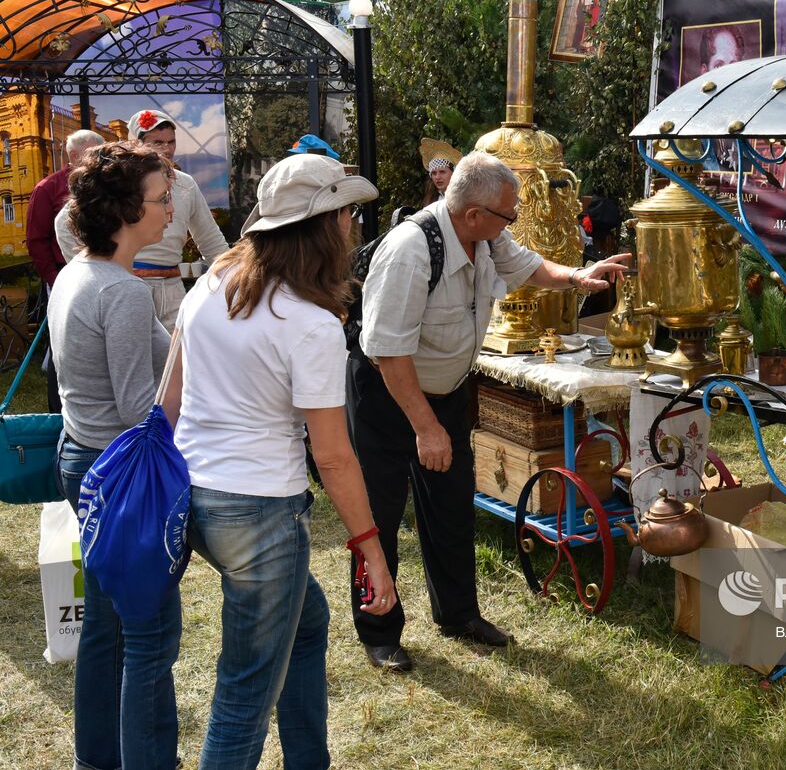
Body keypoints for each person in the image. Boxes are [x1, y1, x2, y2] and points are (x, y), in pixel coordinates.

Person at [349, 153, 629, 670]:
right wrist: (425, 426)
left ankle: (458, 614)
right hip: (389, 394)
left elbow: (528, 268)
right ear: (473, 213)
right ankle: (379, 631)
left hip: (445, 390)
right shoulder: (409, 251)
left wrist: (578, 276)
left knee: (451, 504)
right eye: (510, 214)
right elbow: (387, 353)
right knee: (378, 515)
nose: (514, 221)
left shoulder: (485, 236)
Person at [163, 153, 397, 768]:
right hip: (260, 513)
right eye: (346, 211)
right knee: (243, 695)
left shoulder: (211, 284)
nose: (352, 223)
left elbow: (169, 399)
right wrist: (370, 546)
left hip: (197, 500)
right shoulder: (310, 323)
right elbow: (334, 455)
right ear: (323, 225)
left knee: (307, 621)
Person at [48, 140, 179, 770]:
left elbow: (168, 349)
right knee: (144, 636)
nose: (170, 209)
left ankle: (96, 758)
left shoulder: (80, 269)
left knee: (104, 628)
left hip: (82, 458)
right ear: (127, 210)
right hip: (119, 472)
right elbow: (138, 409)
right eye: (160, 199)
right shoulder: (121, 291)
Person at [56, 109, 229, 330]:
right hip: (123, 285)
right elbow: (63, 223)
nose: (167, 149)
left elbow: (211, 240)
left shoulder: (186, 183)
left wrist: (231, 284)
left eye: (171, 142)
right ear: (136, 144)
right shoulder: (119, 181)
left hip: (171, 288)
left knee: (175, 358)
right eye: (157, 142)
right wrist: (98, 274)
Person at [28, 128, 104, 412]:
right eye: (94, 154)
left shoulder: (104, 184)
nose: (101, 159)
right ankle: (58, 409)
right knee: (64, 344)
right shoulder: (48, 188)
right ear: (74, 156)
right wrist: (55, 278)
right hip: (64, 274)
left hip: (101, 273)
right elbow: (36, 240)